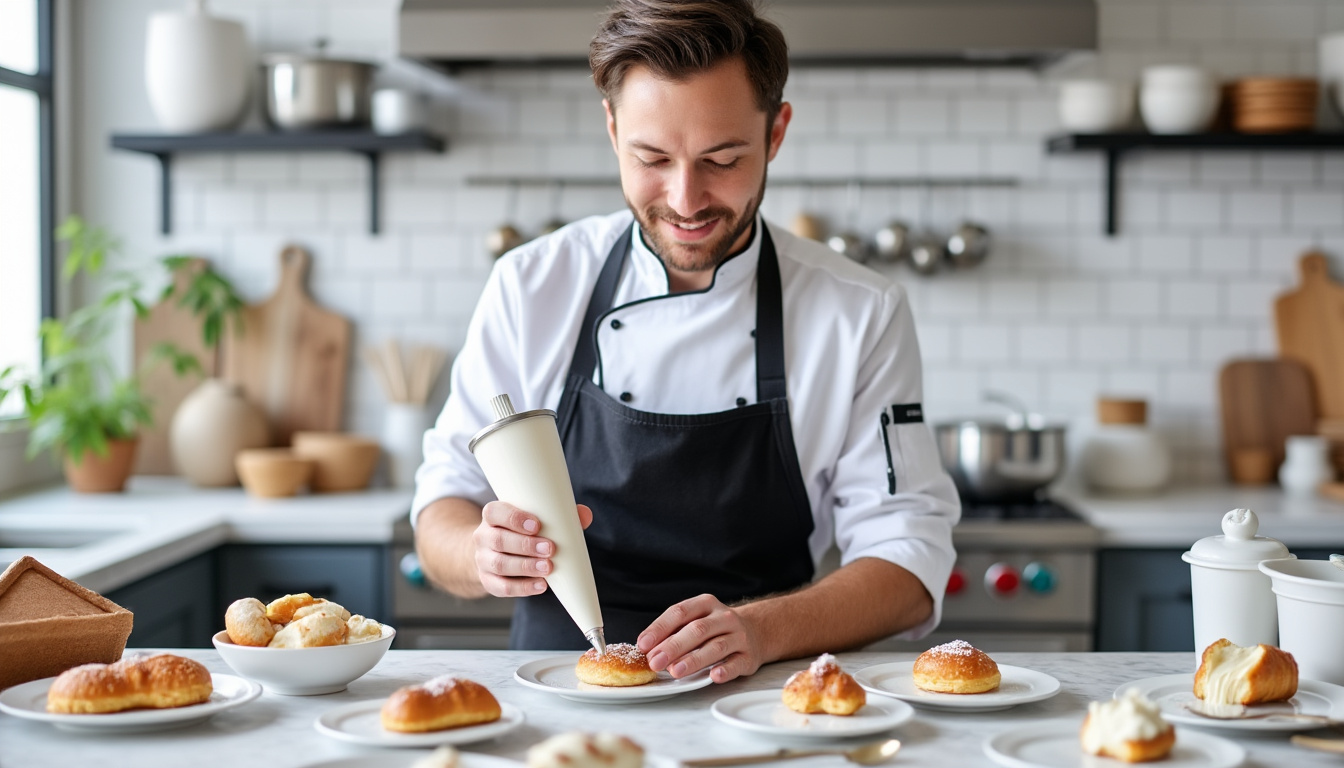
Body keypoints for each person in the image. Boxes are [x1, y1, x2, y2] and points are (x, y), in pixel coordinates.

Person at [412, 0, 960, 684]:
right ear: (612, 131)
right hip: (556, 697)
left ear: (776, 133)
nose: (687, 198)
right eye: (652, 158)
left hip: (765, 699)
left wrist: (761, 629)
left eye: (722, 159)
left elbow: (909, 563)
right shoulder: (532, 285)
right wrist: (479, 553)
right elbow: (443, 507)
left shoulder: (859, 311)